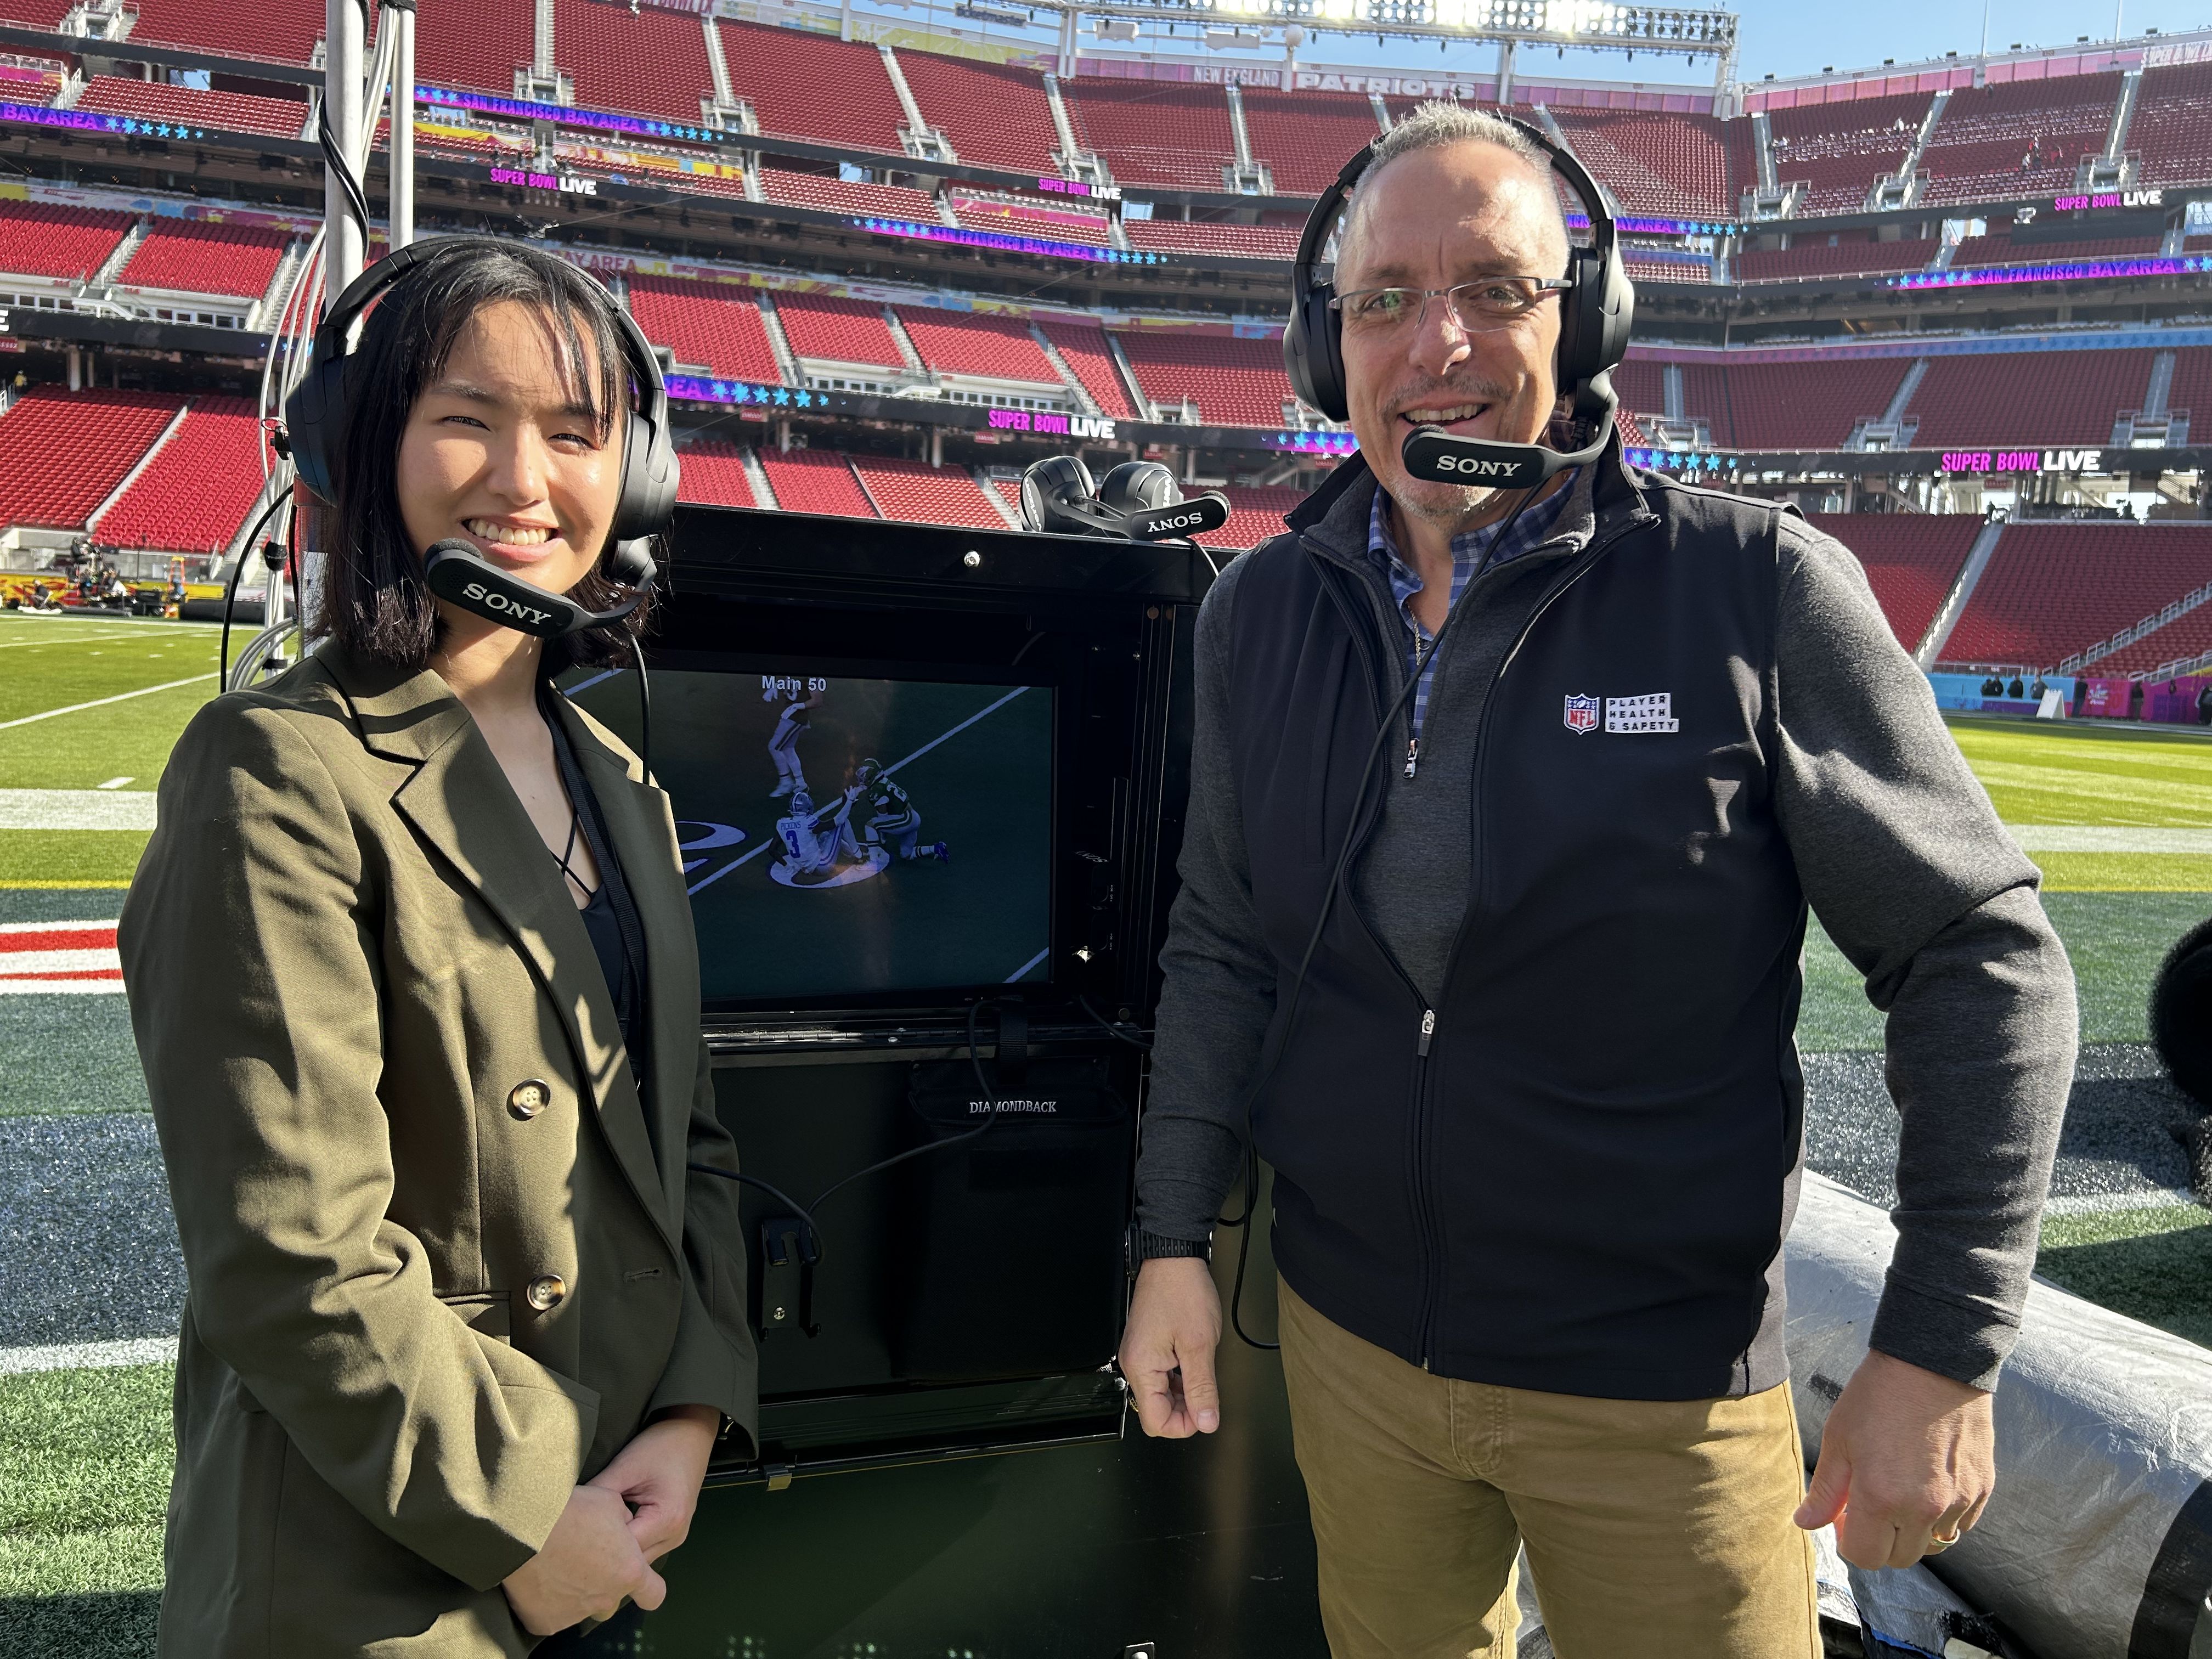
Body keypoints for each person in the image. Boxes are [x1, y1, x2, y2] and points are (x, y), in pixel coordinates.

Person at [1117, 104, 2075, 1659]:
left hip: (1663, 1391)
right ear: (1324, 341)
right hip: (1355, 1356)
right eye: (1385, 299)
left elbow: (1982, 958)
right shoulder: (1260, 617)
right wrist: (1172, 1241)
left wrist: (1942, 1352)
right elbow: (1223, 945)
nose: (1438, 341)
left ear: (1588, 318)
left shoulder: (1750, 587)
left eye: (1496, 288)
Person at [119, 239, 757, 1658]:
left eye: (577, 434)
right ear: (366, 450)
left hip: (612, 1529)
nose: (524, 481)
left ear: (634, 480)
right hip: (381, 1576)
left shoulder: (623, 786)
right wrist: (533, 1517)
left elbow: (688, 1147)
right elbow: (290, 1254)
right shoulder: (273, 771)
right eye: (466, 419)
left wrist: (697, 1409)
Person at [849, 759, 949, 863]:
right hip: (912, 817)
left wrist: (883, 841)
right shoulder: (884, 783)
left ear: (872, 776)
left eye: (865, 778)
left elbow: (882, 817)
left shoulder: (877, 790)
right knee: (906, 855)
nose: (863, 781)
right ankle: (936, 848)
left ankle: (873, 862)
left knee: (870, 825)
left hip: (906, 819)